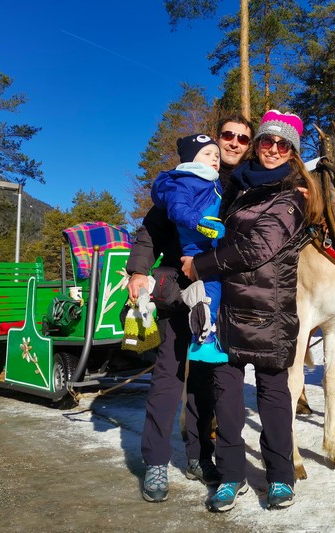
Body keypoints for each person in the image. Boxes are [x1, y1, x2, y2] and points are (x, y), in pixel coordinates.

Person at [181, 110, 322, 512]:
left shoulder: (293, 194)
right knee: (227, 399)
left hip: (268, 311)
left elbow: (258, 247)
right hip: (227, 308)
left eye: (283, 145)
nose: (273, 149)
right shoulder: (239, 185)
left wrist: (201, 265)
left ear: (293, 152)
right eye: (266, 141)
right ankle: (230, 475)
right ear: (257, 144)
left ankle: (280, 477)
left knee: (273, 397)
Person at [127, 116, 254, 504]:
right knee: (168, 374)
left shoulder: (245, 184)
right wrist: (136, 271)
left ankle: (200, 456)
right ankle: (156, 462)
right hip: (179, 289)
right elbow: (150, 229)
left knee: (204, 380)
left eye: (242, 138)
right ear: (215, 141)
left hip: (220, 295)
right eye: (227, 136)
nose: (234, 143)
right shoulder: (184, 181)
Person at [150, 134, 227, 363]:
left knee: (213, 289)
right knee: (210, 290)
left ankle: (207, 337)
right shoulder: (184, 181)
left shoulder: (210, 181)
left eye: (216, 155)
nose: (215, 159)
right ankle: (202, 341)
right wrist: (200, 223)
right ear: (192, 159)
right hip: (197, 244)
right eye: (207, 154)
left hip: (210, 242)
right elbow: (177, 208)